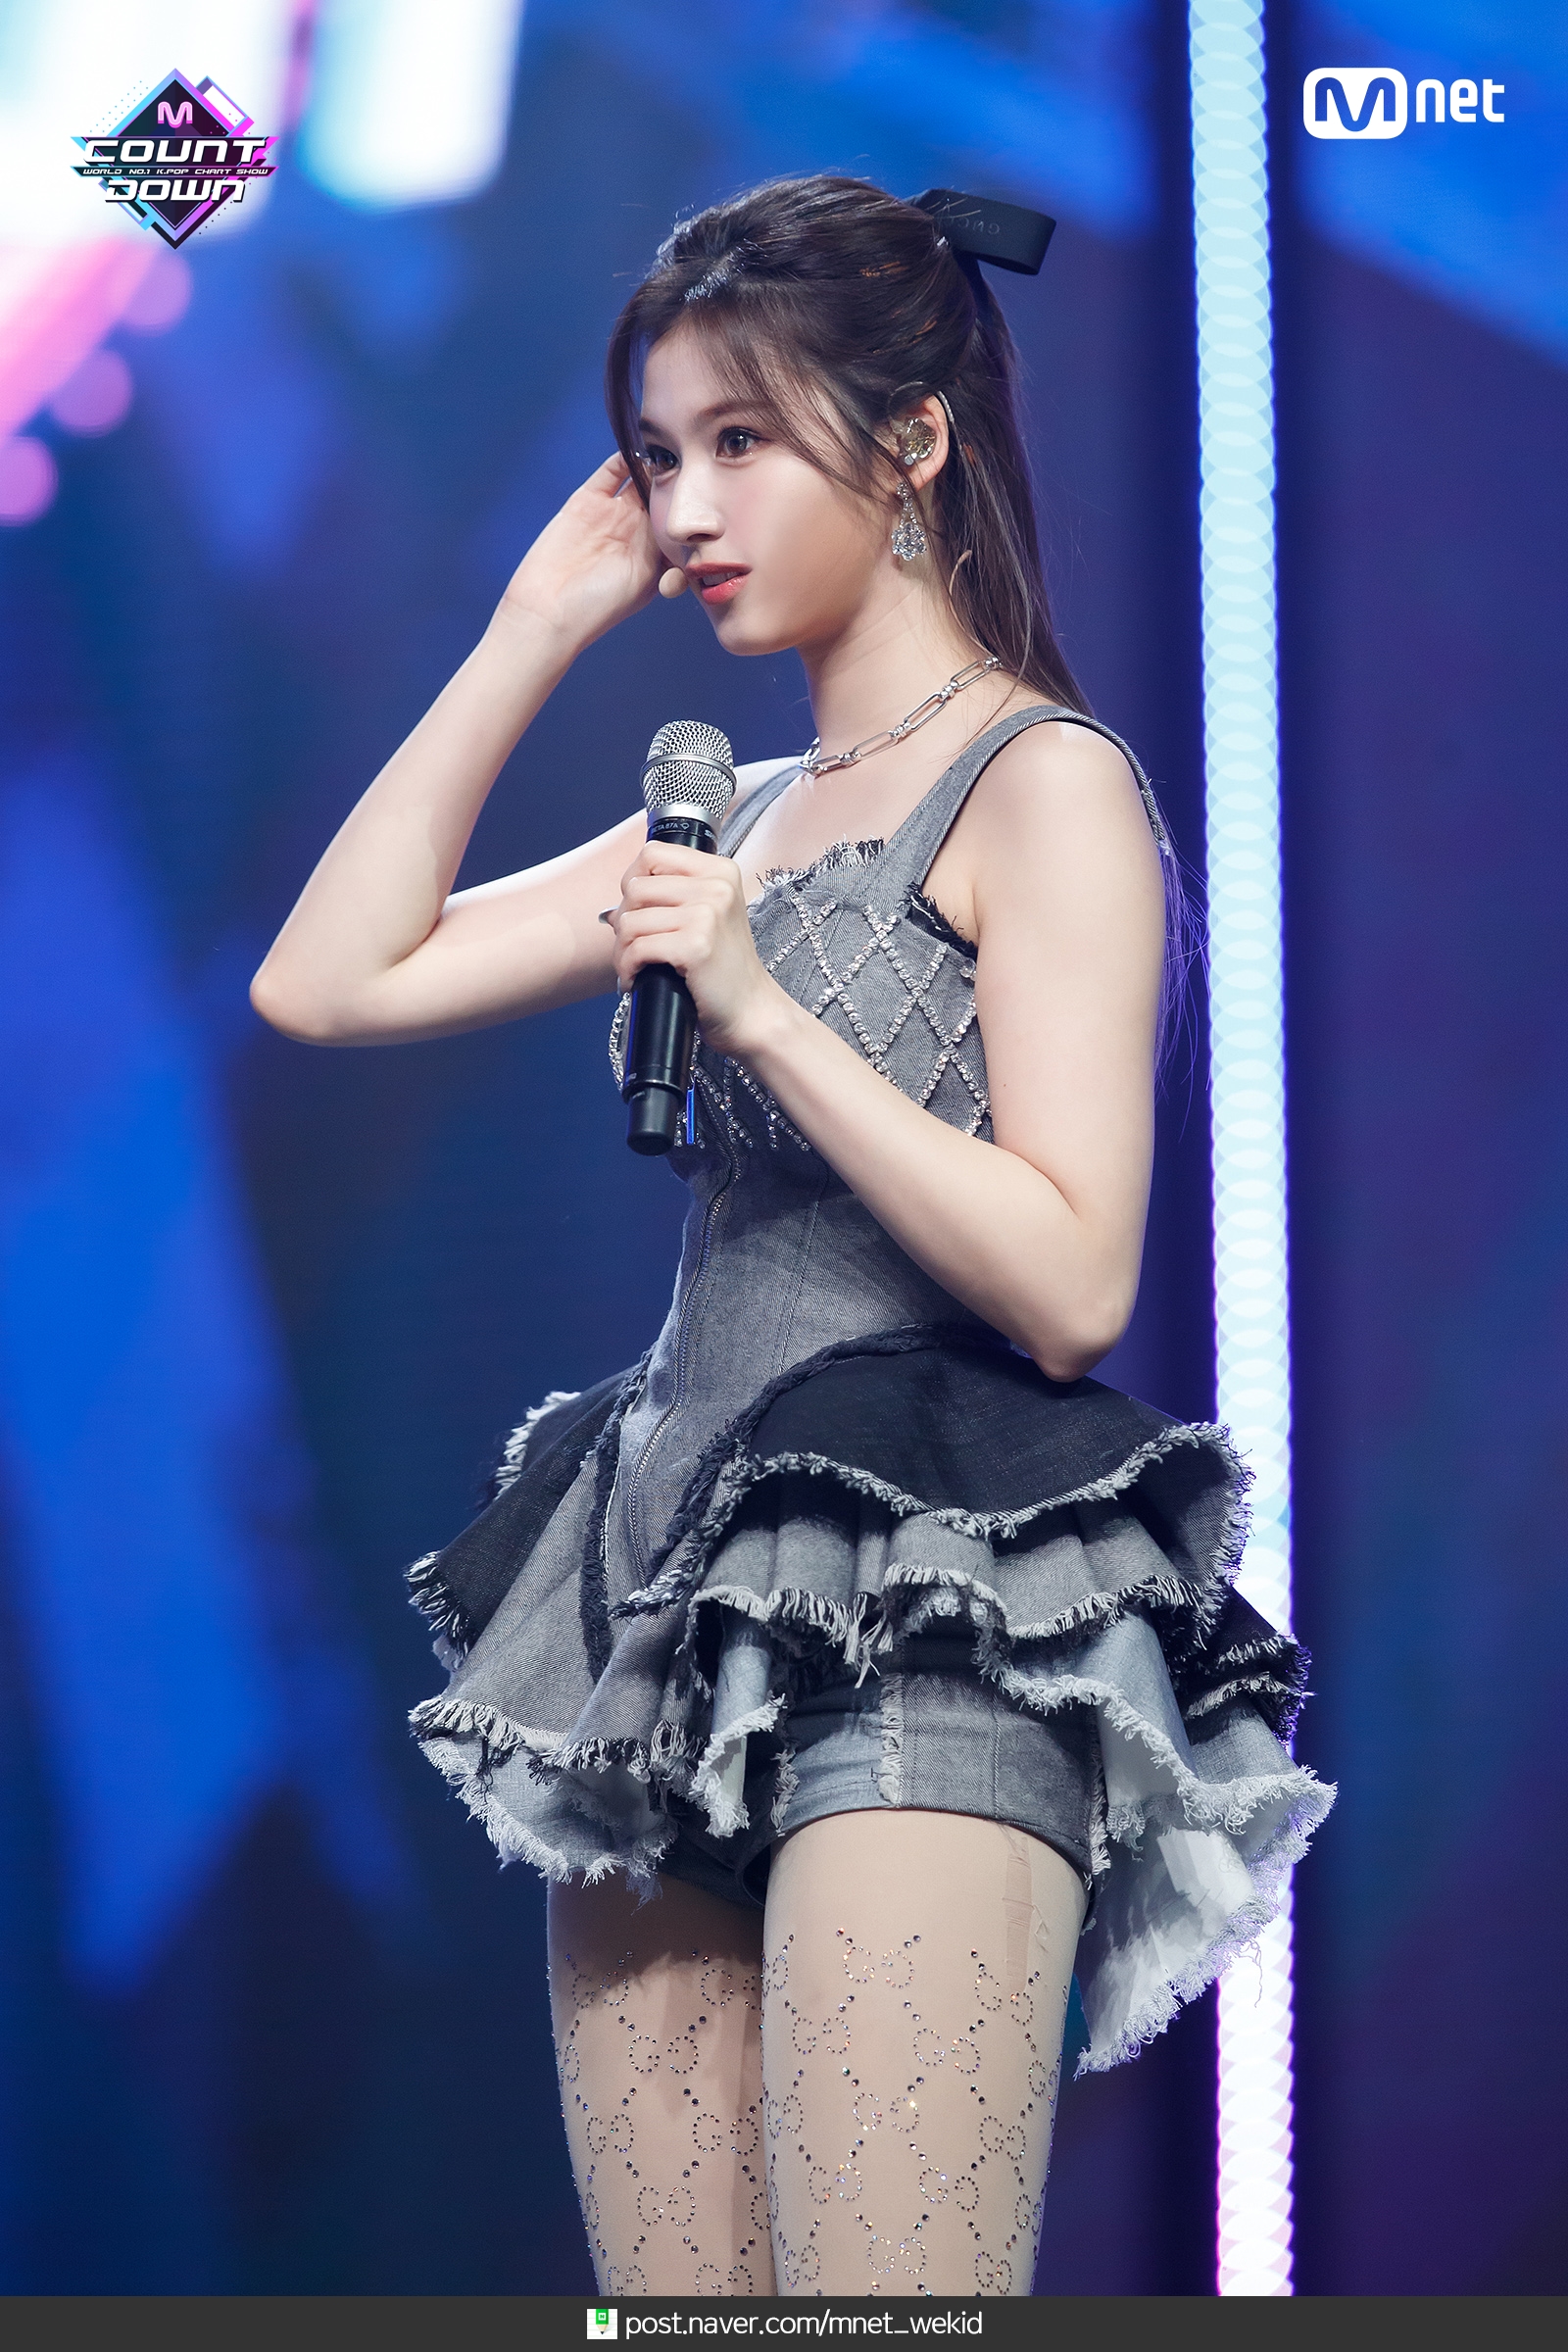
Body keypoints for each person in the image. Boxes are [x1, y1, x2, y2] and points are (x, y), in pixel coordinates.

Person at [252, 175, 1332, 2298]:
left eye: (739, 441)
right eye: (658, 455)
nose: (685, 511)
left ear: (913, 439)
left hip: (931, 1595)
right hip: (666, 1594)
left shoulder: (1041, 785)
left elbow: (1072, 1280)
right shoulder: (719, 814)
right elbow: (324, 980)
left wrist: (756, 1011)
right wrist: (531, 626)